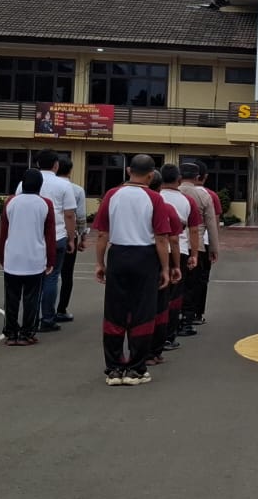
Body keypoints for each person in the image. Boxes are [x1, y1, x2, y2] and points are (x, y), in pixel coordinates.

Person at [93, 154, 180, 385]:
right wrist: (165, 268)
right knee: (143, 311)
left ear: (128, 171)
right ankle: (136, 369)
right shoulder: (154, 198)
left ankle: (114, 368)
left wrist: (100, 263)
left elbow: (102, 234)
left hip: (118, 254)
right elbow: (161, 238)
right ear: (151, 176)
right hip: (145, 257)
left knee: (114, 311)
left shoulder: (111, 195)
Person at [17, 150, 76, 334]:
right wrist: (71, 238)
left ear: (37, 164)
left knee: (32, 278)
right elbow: (69, 214)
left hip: (31, 237)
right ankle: (48, 318)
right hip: (57, 236)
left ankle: (30, 318)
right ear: (56, 165)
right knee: (52, 277)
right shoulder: (64, 185)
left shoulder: (23, 184)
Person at [0, 169, 57, 345]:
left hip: (12, 257)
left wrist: (2, 257)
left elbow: (4, 232)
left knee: (11, 298)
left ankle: (11, 332)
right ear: (40, 185)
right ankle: (27, 333)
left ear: (22, 183)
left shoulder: (11, 202)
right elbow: (50, 234)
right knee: (32, 298)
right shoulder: (45, 204)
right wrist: (51, 259)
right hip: (35, 258)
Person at [155, 165, 202, 355]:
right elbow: (194, 230)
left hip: (155, 250)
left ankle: (152, 335)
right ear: (179, 180)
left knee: (155, 294)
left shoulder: (155, 197)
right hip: (178, 251)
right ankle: (168, 336)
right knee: (174, 296)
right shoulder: (187, 201)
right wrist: (194, 254)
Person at [176, 162, 220, 333]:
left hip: (174, 245)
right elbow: (211, 224)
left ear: (180, 176)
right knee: (192, 284)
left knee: (175, 284)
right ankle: (189, 319)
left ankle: (172, 318)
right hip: (197, 245)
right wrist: (214, 249)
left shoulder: (173, 192)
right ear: (197, 177)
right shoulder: (204, 195)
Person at [54, 157, 89, 323]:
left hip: (47, 235)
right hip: (69, 235)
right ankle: (61, 309)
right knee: (67, 274)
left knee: (46, 274)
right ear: (70, 170)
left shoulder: (45, 186)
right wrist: (83, 237)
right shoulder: (76, 190)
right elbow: (79, 216)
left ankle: (43, 310)